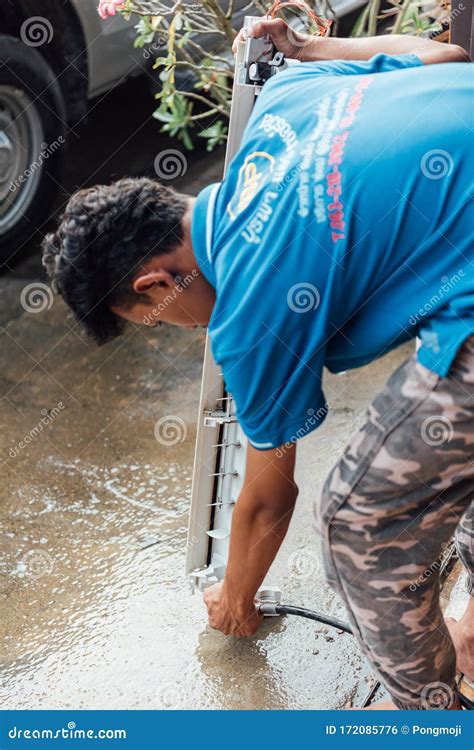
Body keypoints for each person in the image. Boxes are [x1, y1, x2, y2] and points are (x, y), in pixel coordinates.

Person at [42, 21, 473, 710]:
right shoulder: (286, 103)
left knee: (358, 521)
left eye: (153, 322)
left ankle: (432, 720)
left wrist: (236, 599)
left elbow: (270, 497)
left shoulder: (250, 310)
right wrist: (311, 48)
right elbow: (449, 56)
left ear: (156, 284)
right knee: (439, 444)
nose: (178, 331)